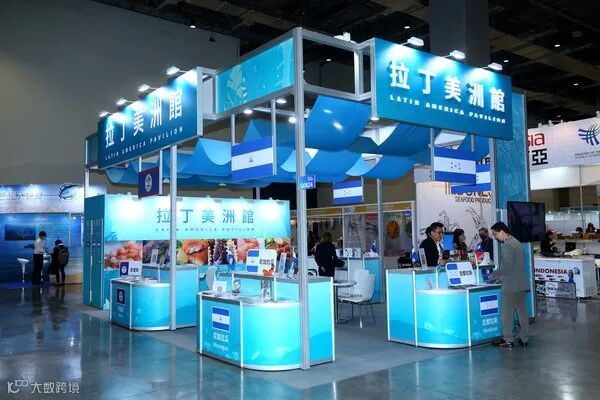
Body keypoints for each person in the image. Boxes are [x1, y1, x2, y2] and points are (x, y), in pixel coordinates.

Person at [489, 222, 529, 348]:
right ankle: (524, 338)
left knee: (506, 314)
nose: (495, 237)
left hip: (511, 286)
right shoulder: (516, 242)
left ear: (502, 231)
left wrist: (493, 276)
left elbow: (506, 266)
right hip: (521, 283)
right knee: (522, 313)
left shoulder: (508, 245)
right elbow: (515, 265)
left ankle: (507, 339)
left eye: (495, 234)